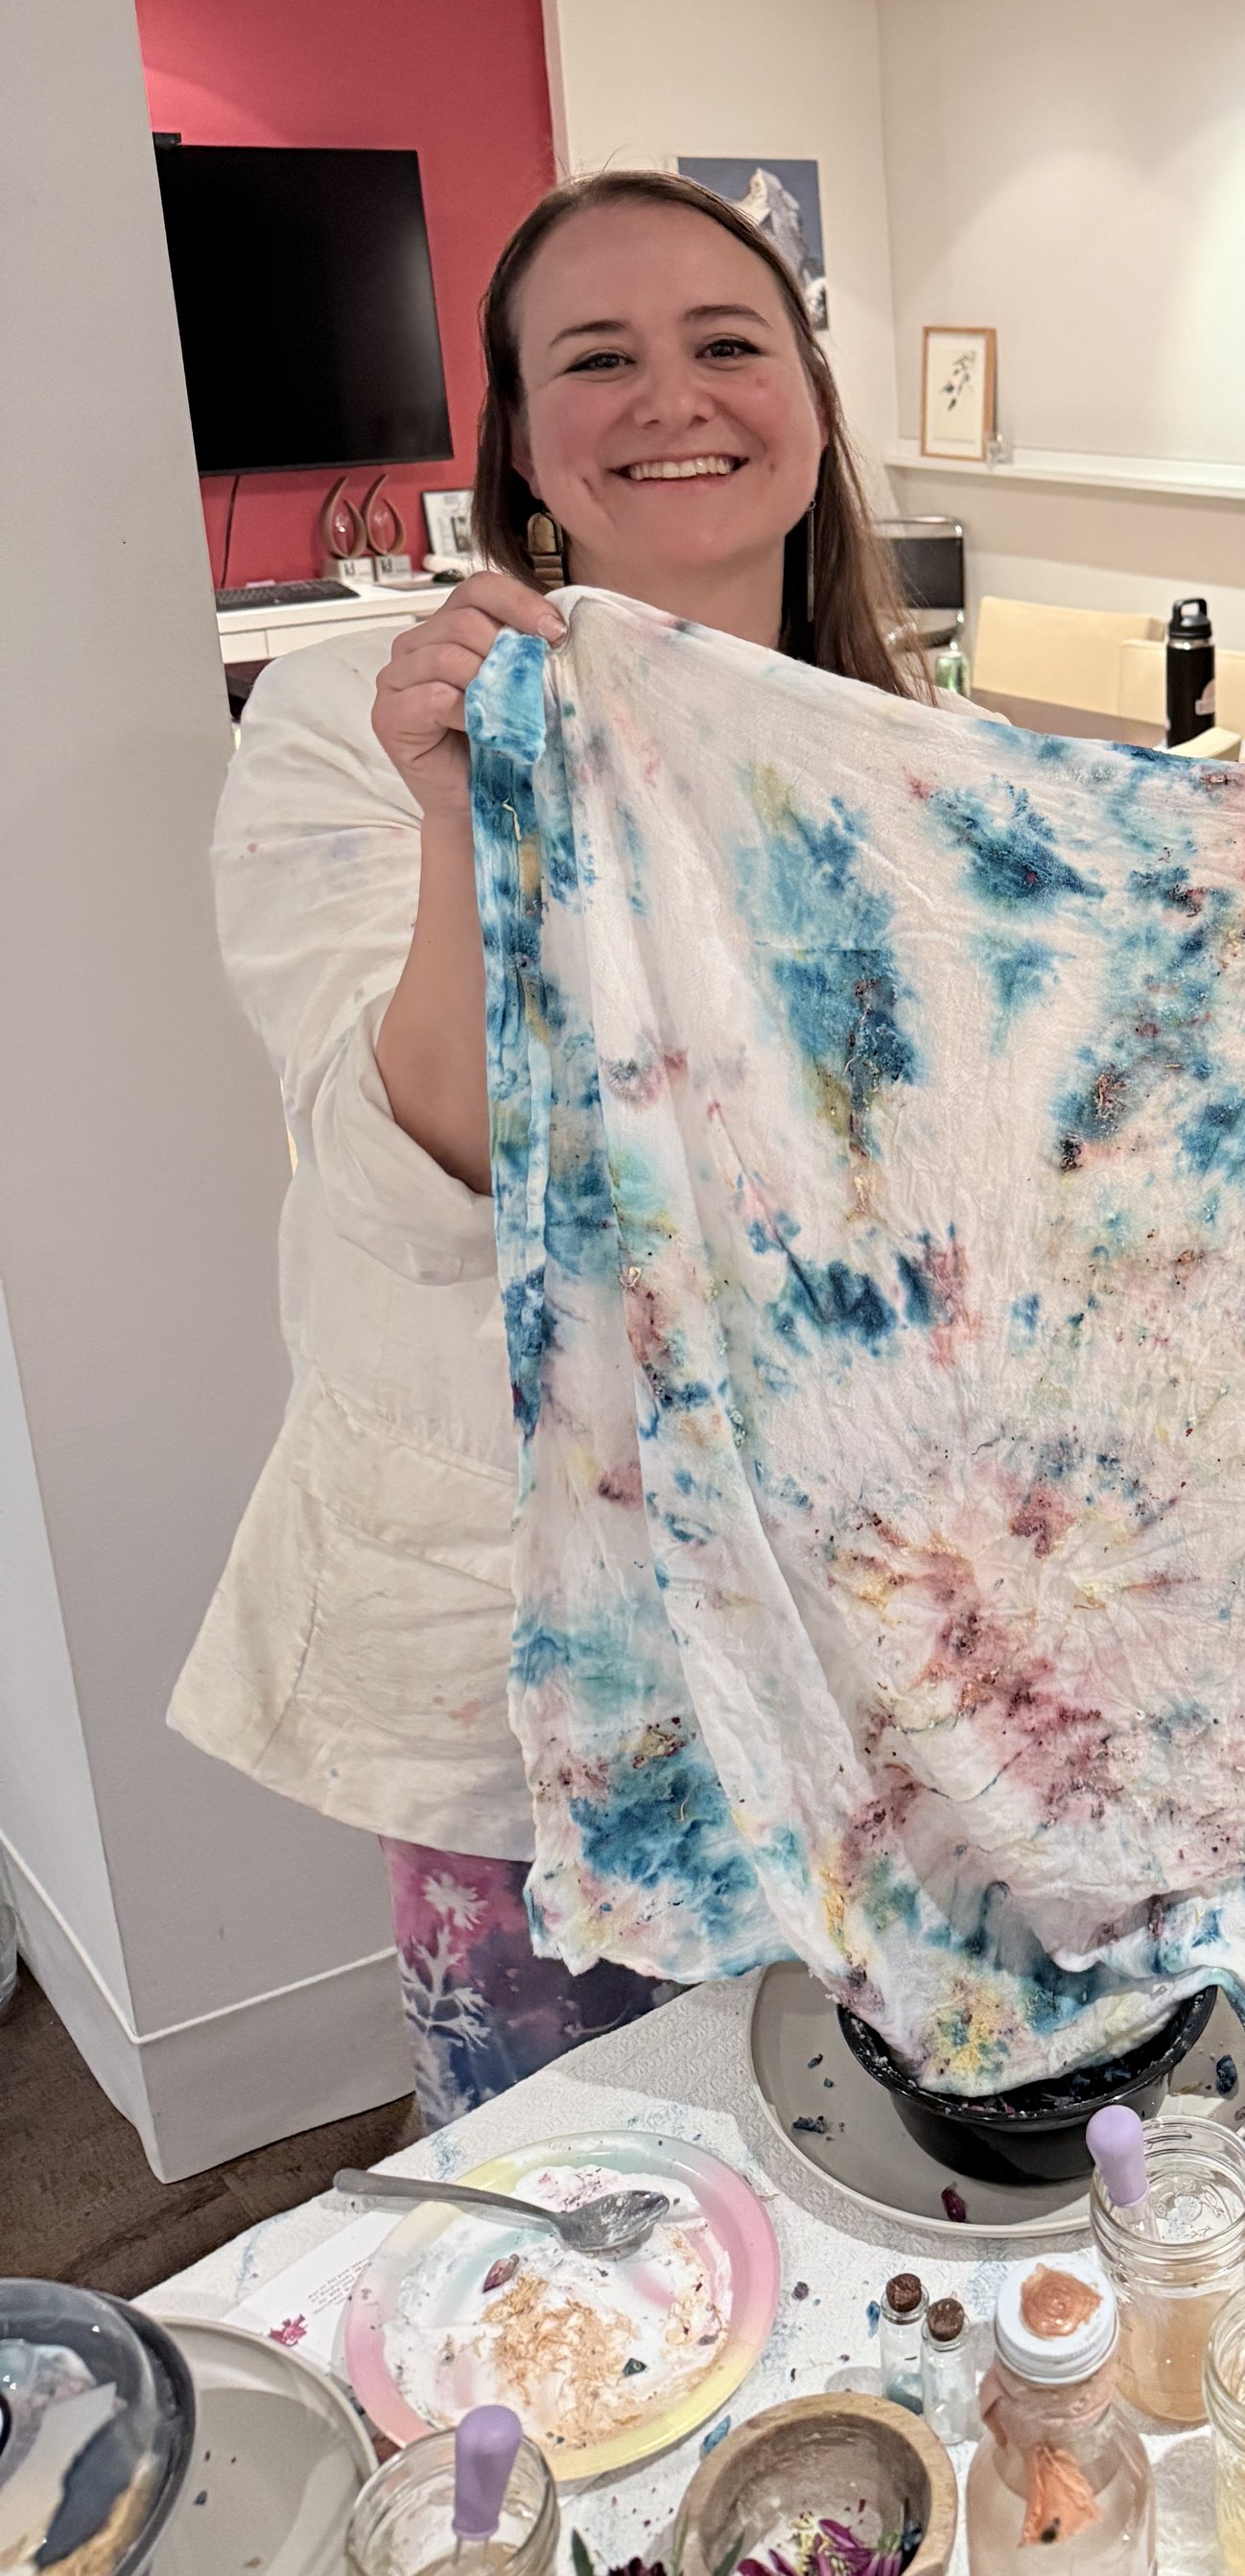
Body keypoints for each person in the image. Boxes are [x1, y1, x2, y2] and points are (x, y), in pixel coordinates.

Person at [172, 168, 939, 2123]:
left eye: (724, 343)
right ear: (519, 437)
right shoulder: (357, 719)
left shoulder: (904, 744)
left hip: (856, 1619)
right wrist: (463, 816)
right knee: (575, 2185)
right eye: (595, 355)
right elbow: (416, 1166)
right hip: (534, 1635)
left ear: (813, 404)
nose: (668, 395)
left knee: (852, 2137)